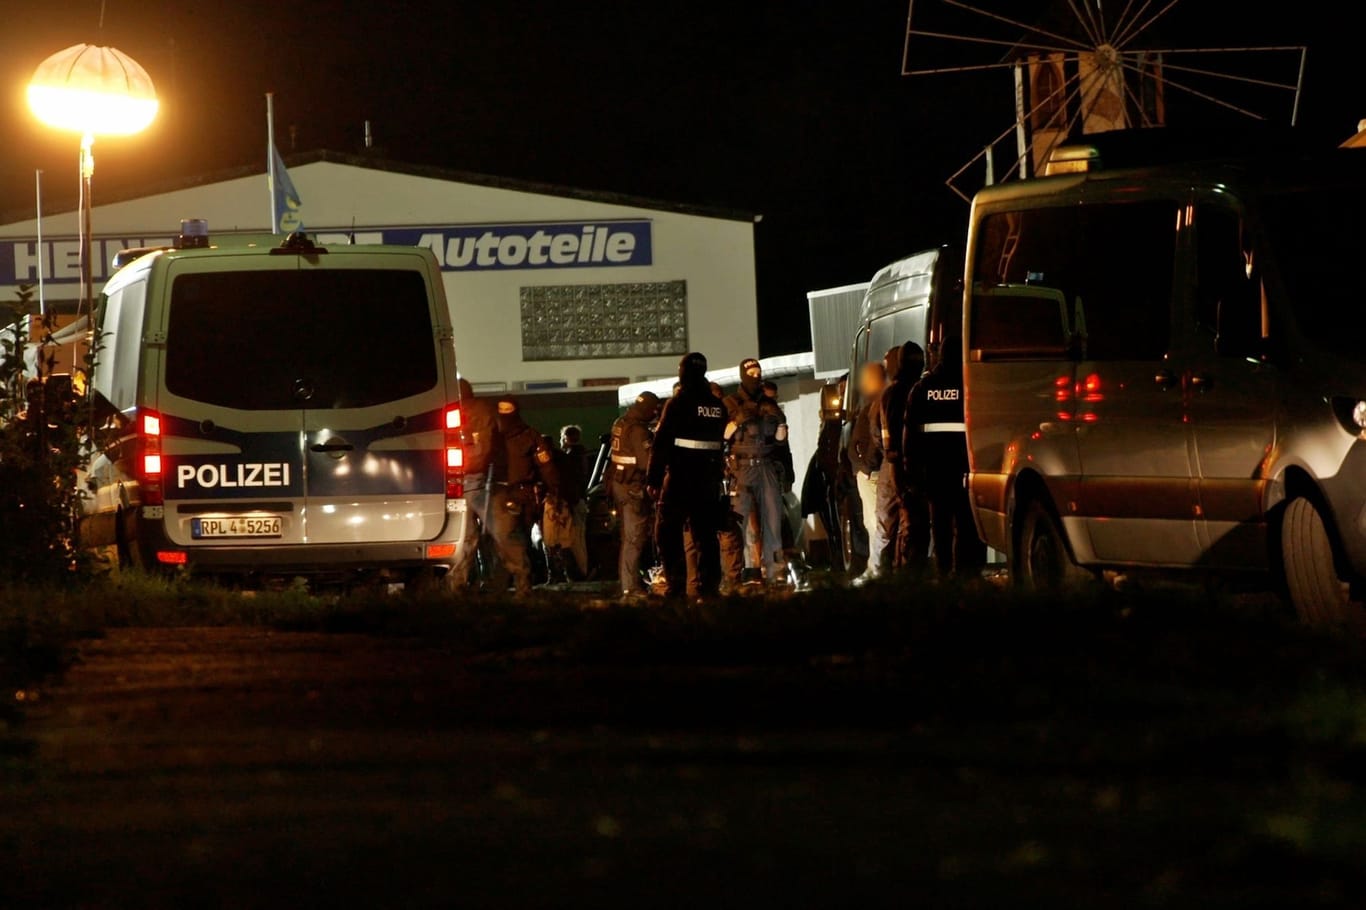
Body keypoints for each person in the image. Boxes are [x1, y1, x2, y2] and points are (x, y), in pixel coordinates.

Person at [905, 334, 986, 580]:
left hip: (934, 471)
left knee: (940, 525)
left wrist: (912, 473)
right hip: (965, 468)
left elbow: (910, 435)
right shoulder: (971, 386)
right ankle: (967, 574)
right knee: (967, 523)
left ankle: (943, 573)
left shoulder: (923, 388)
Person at [646, 352, 727, 600]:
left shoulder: (678, 403)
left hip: (681, 477)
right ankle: (709, 588)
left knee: (667, 532)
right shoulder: (717, 406)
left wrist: (653, 479)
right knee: (706, 535)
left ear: (683, 372)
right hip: (708, 479)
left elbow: (661, 443)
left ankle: (677, 586)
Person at [451, 379, 531, 596]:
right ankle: (522, 583)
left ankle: (457, 586)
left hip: (463, 484)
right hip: (486, 482)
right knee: (503, 535)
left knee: (464, 538)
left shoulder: (451, 412)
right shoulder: (486, 410)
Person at [723, 358, 791, 587]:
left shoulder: (768, 403)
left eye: (758, 371)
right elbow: (722, 436)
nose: (756, 375)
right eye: (751, 371)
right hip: (741, 468)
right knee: (737, 524)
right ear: (743, 374)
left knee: (773, 521)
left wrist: (780, 422)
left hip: (766, 465)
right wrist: (738, 421)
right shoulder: (731, 402)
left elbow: (781, 440)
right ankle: (733, 575)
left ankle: (775, 572)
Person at [497, 396, 560, 594]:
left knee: (506, 540)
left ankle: (508, 584)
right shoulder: (530, 435)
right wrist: (554, 490)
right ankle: (519, 583)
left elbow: (547, 466)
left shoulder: (494, 435)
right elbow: (547, 467)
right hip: (518, 494)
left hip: (504, 495)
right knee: (518, 539)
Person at [879, 341, 930, 573]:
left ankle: (904, 570)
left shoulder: (905, 390)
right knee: (908, 520)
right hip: (903, 465)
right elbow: (891, 433)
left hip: (904, 464)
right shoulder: (908, 390)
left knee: (908, 519)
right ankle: (905, 571)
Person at [608, 391, 660, 600]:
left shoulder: (621, 422)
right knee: (634, 539)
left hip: (620, 485)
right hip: (633, 488)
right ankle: (630, 588)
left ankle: (629, 585)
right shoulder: (639, 431)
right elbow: (646, 463)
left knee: (628, 538)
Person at [849, 362, 887, 582]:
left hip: (872, 474)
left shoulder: (878, 404)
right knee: (873, 522)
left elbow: (874, 440)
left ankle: (877, 569)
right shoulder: (871, 404)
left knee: (875, 522)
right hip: (868, 472)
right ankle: (876, 566)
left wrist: (865, 466)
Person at [541, 433, 588, 583]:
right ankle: (569, 574)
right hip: (565, 503)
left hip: (553, 503)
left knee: (550, 541)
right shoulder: (565, 458)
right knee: (566, 541)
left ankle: (556, 575)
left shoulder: (546, 461)